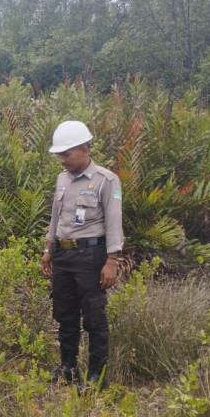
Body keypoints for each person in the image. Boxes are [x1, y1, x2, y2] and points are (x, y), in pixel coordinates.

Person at [40, 120, 124, 391]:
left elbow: (114, 222)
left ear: (85, 148)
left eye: (66, 154)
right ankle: (68, 367)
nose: (62, 160)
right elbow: (56, 217)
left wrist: (111, 261)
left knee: (94, 317)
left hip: (91, 255)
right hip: (63, 255)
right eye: (59, 155)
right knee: (64, 313)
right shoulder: (62, 179)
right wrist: (48, 250)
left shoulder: (106, 180)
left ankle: (97, 376)